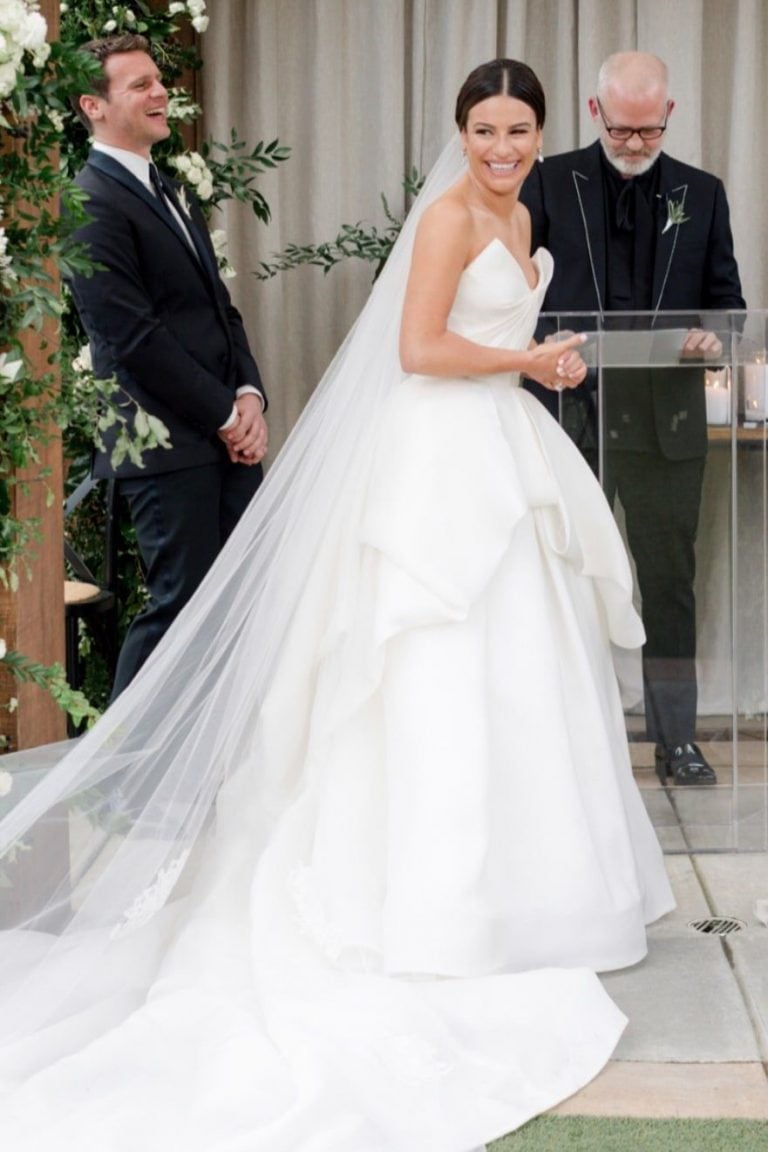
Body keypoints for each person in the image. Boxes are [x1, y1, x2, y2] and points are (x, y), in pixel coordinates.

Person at [0, 59, 674, 1151]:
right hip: (443, 458)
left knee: (522, 670)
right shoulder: (454, 218)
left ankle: (531, 891)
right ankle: (423, 896)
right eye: (484, 129)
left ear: (544, 135)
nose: (501, 146)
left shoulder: (524, 212)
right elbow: (416, 349)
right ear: (460, 135)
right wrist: (528, 357)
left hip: (501, 447)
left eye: (518, 129)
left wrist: (531, 366)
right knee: (432, 655)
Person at [520, 51, 745, 787]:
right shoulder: (549, 181)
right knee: (562, 579)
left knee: (669, 583)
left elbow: (729, 303)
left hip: (665, 424)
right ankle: (563, 741)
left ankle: (676, 739)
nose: (635, 143)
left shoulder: (703, 194)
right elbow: (517, 292)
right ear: (594, 114)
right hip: (569, 415)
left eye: (648, 131)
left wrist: (716, 335)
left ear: (669, 117)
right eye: (622, 129)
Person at [68, 34, 269, 700]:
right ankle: (121, 778)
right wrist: (221, 414)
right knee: (179, 607)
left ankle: (205, 768)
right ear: (92, 106)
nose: (160, 93)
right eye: (139, 85)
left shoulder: (170, 188)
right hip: (161, 444)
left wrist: (249, 395)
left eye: (159, 80)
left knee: (239, 602)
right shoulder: (90, 201)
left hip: (223, 436)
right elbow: (133, 339)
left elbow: (219, 307)